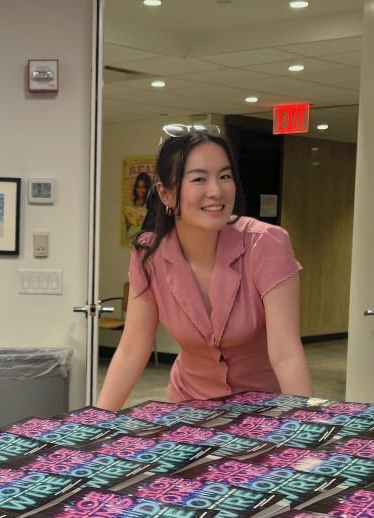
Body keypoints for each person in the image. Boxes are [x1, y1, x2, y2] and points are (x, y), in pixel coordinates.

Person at [97, 124, 312, 410]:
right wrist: (96, 423)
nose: (216, 191)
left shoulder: (266, 243)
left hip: (264, 411)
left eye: (225, 176)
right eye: (199, 179)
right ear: (166, 194)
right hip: (188, 410)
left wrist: (305, 427)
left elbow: (286, 353)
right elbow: (132, 351)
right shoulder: (150, 254)